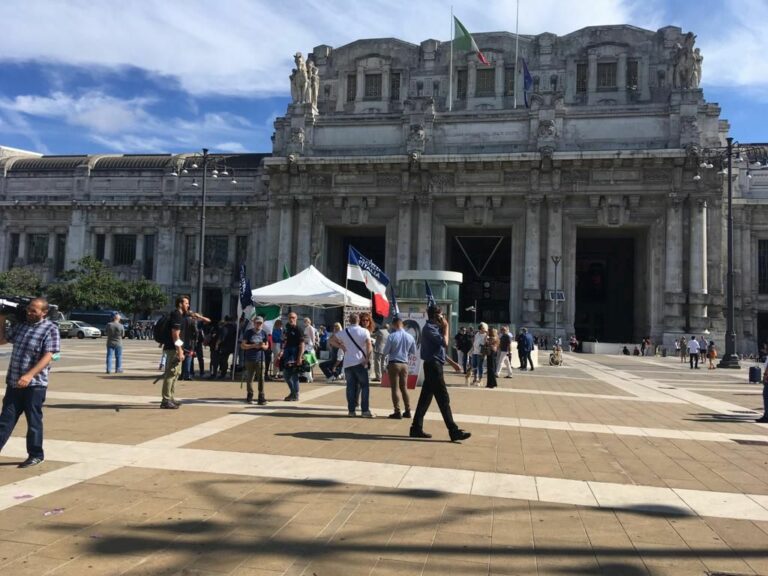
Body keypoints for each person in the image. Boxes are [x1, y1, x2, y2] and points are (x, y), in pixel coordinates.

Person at [0, 298, 60, 468]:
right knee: (5, 420)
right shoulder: (21, 325)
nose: (29, 313)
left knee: (33, 421)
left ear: (44, 312)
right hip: (14, 382)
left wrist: (29, 375)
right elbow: (2, 340)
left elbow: (49, 355)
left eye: (34, 311)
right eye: (28, 310)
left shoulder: (50, 328)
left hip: (35, 385)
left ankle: (36, 455)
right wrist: (2, 318)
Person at [410, 305, 471, 442]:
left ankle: (416, 428)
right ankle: (453, 431)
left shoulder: (435, 328)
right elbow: (444, 343)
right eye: (441, 315)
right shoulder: (429, 329)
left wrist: (453, 363)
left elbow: (439, 351)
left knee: (425, 399)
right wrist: (447, 326)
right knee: (443, 399)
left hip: (435, 365)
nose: (443, 317)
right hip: (433, 367)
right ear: (437, 315)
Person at [330, 313, 374, 418]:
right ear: (358, 320)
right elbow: (369, 345)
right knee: (364, 387)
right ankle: (365, 411)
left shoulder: (344, 332)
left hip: (348, 363)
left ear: (349, 321)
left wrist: (341, 346)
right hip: (360, 362)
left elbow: (331, 340)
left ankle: (351, 411)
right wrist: (367, 359)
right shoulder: (364, 331)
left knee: (350, 387)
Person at [382, 316, 416, 419]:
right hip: (404, 363)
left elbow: (385, 351)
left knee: (395, 388)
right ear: (402, 324)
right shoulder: (410, 337)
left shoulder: (392, 336)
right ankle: (408, 410)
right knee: (404, 388)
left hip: (394, 363)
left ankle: (397, 411)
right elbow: (413, 352)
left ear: (394, 324)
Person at [160, 296, 188, 409]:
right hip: (173, 349)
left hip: (173, 348)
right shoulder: (177, 315)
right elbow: (175, 334)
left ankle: (170, 397)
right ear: (180, 304)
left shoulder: (178, 315)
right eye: (186, 303)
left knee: (175, 374)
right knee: (171, 374)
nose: (188, 305)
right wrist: (180, 351)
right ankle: (166, 400)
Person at [241, 316, 269, 404]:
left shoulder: (264, 333)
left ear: (262, 324)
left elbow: (267, 346)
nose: (258, 325)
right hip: (250, 358)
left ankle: (261, 396)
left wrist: (262, 346)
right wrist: (253, 346)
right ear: (254, 323)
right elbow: (242, 345)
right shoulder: (248, 333)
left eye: (260, 323)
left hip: (260, 358)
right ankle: (250, 394)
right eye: (257, 323)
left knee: (261, 378)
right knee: (250, 378)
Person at [278, 313, 304, 401]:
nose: (291, 319)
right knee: (285, 374)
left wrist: (299, 357)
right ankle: (293, 393)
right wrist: (281, 351)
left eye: (293, 317)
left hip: (295, 354)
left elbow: (302, 344)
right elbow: (285, 341)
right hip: (287, 353)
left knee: (294, 374)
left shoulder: (298, 329)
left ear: (296, 318)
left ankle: (295, 394)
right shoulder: (287, 328)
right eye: (289, 317)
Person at [303, 317, 318, 383]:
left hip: (310, 346)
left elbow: (313, 337)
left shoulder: (310, 328)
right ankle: (308, 376)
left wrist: (314, 344)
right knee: (308, 361)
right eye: (304, 321)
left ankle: (307, 374)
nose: (305, 322)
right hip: (306, 346)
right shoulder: (306, 328)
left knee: (314, 362)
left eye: (306, 321)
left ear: (309, 322)